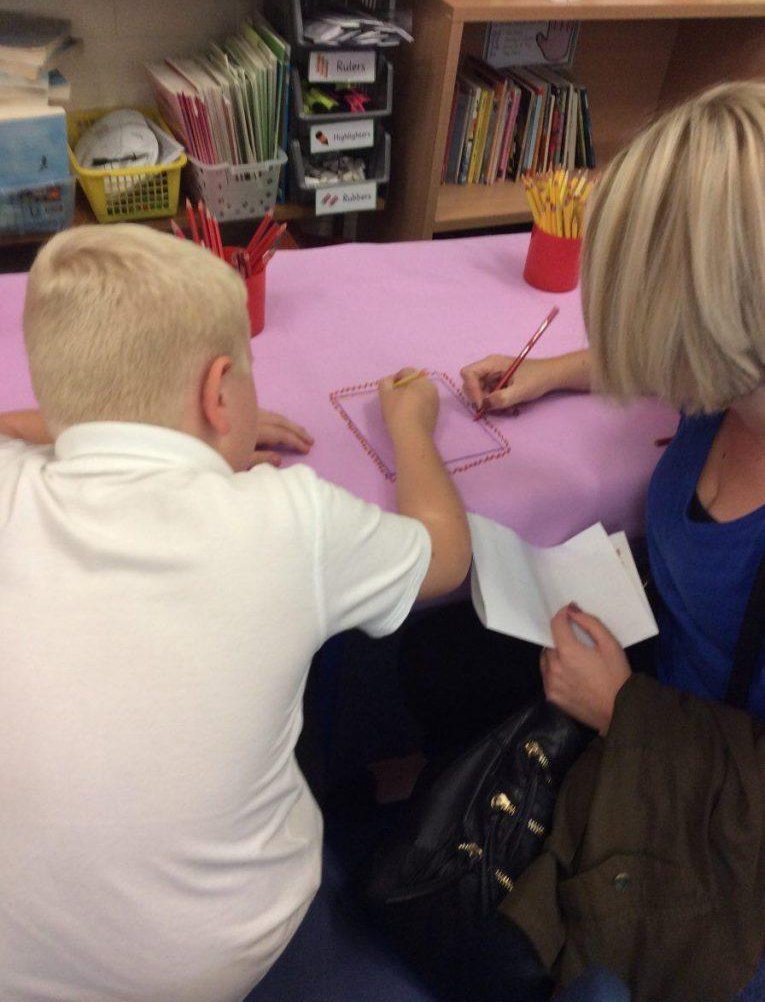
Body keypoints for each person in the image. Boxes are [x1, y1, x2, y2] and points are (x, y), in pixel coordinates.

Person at [0, 224, 472, 1002]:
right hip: (217, 963)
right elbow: (445, 554)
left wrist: (110, 418)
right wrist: (409, 425)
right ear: (219, 393)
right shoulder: (289, 518)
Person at [401, 81, 765, 999]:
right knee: (433, 655)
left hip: (706, 798)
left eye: (649, 314)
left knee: (502, 958)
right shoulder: (728, 381)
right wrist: (550, 374)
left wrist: (620, 713)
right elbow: (683, 354)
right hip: (654, 697)